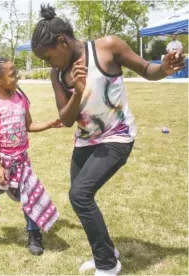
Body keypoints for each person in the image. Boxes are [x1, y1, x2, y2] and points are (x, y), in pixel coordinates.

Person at [31, 4, 186, 275]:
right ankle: (106, 251)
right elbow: (66, 120)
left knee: (80, 195)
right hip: (85, 141)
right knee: (80, 198)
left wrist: (164, 68)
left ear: (62, 42)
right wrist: (78, 91)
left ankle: (107, 265)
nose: (48, 63)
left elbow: (148, 71)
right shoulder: (58, 74)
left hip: (117, 137)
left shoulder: (108, 47)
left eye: (47, 56)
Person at [0, 57, 62, 256]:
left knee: (29, 198)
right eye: (12, 73)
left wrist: (49, 124)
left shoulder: (21, 99)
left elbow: (28, 125)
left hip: (21, 160)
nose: (17, 75)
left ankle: (34, 234)